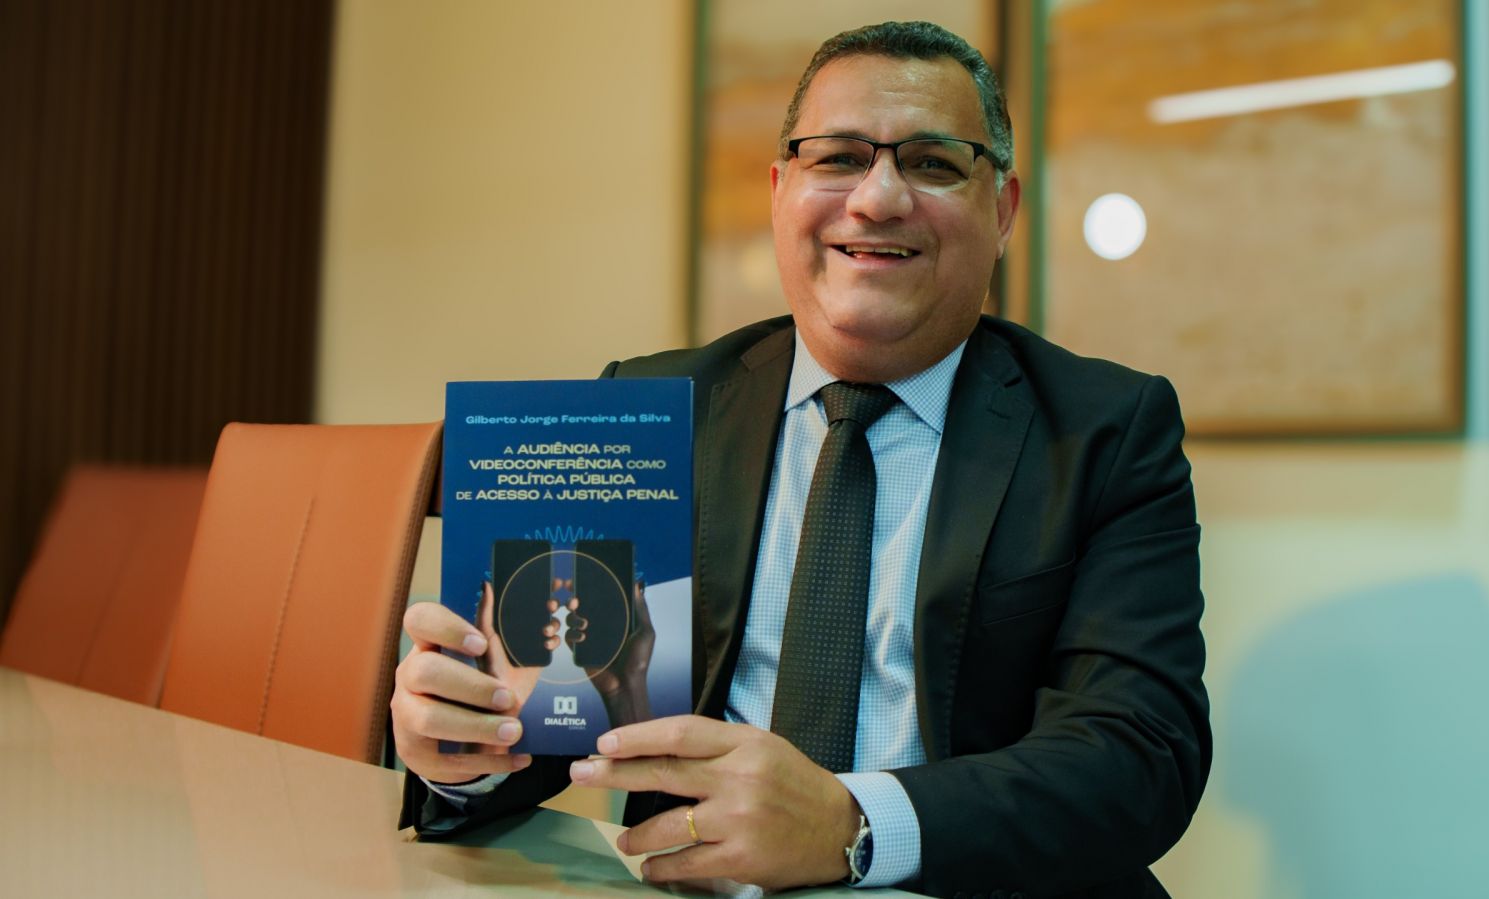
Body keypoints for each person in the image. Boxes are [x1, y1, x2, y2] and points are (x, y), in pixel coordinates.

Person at [390, 20, 1208, 898]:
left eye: (933, 162)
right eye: (840, 157)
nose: (879, 198)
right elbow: (570, 709)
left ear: (1001, 211)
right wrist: (466, 747)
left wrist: (851, 823)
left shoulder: (1107, 431)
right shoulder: (651, 408)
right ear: (781, 192)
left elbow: (1138, 753)